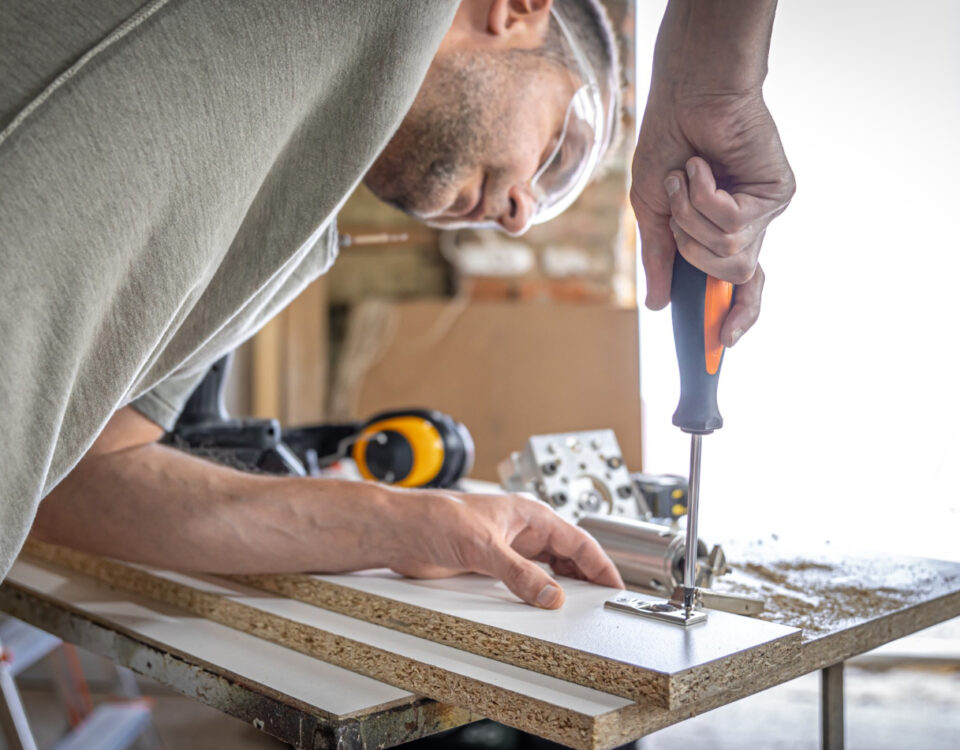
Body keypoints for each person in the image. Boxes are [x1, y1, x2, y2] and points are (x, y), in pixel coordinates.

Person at [0, 0, 792, 609]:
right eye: (558, 151)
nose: (519, 215)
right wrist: (711, 79)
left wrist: (402, 522)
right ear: (515, 9)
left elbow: (79, 478)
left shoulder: (289, 243)